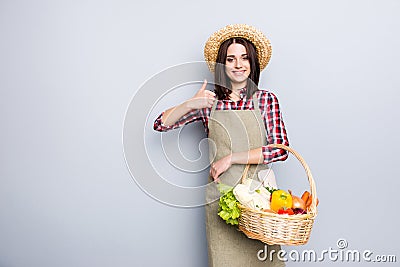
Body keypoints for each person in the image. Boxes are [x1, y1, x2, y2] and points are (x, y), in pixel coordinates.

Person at [153, 24, 289, 267]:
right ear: (222, 65)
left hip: (259, 200)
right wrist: (190, 103)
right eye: (231, 58)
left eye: (245, 58)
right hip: (221, 199)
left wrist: (231, 158)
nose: (238, 64)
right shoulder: (208, 103)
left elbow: (279, 149)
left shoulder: (265, 99)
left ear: (253, 63)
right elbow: (160, 124)